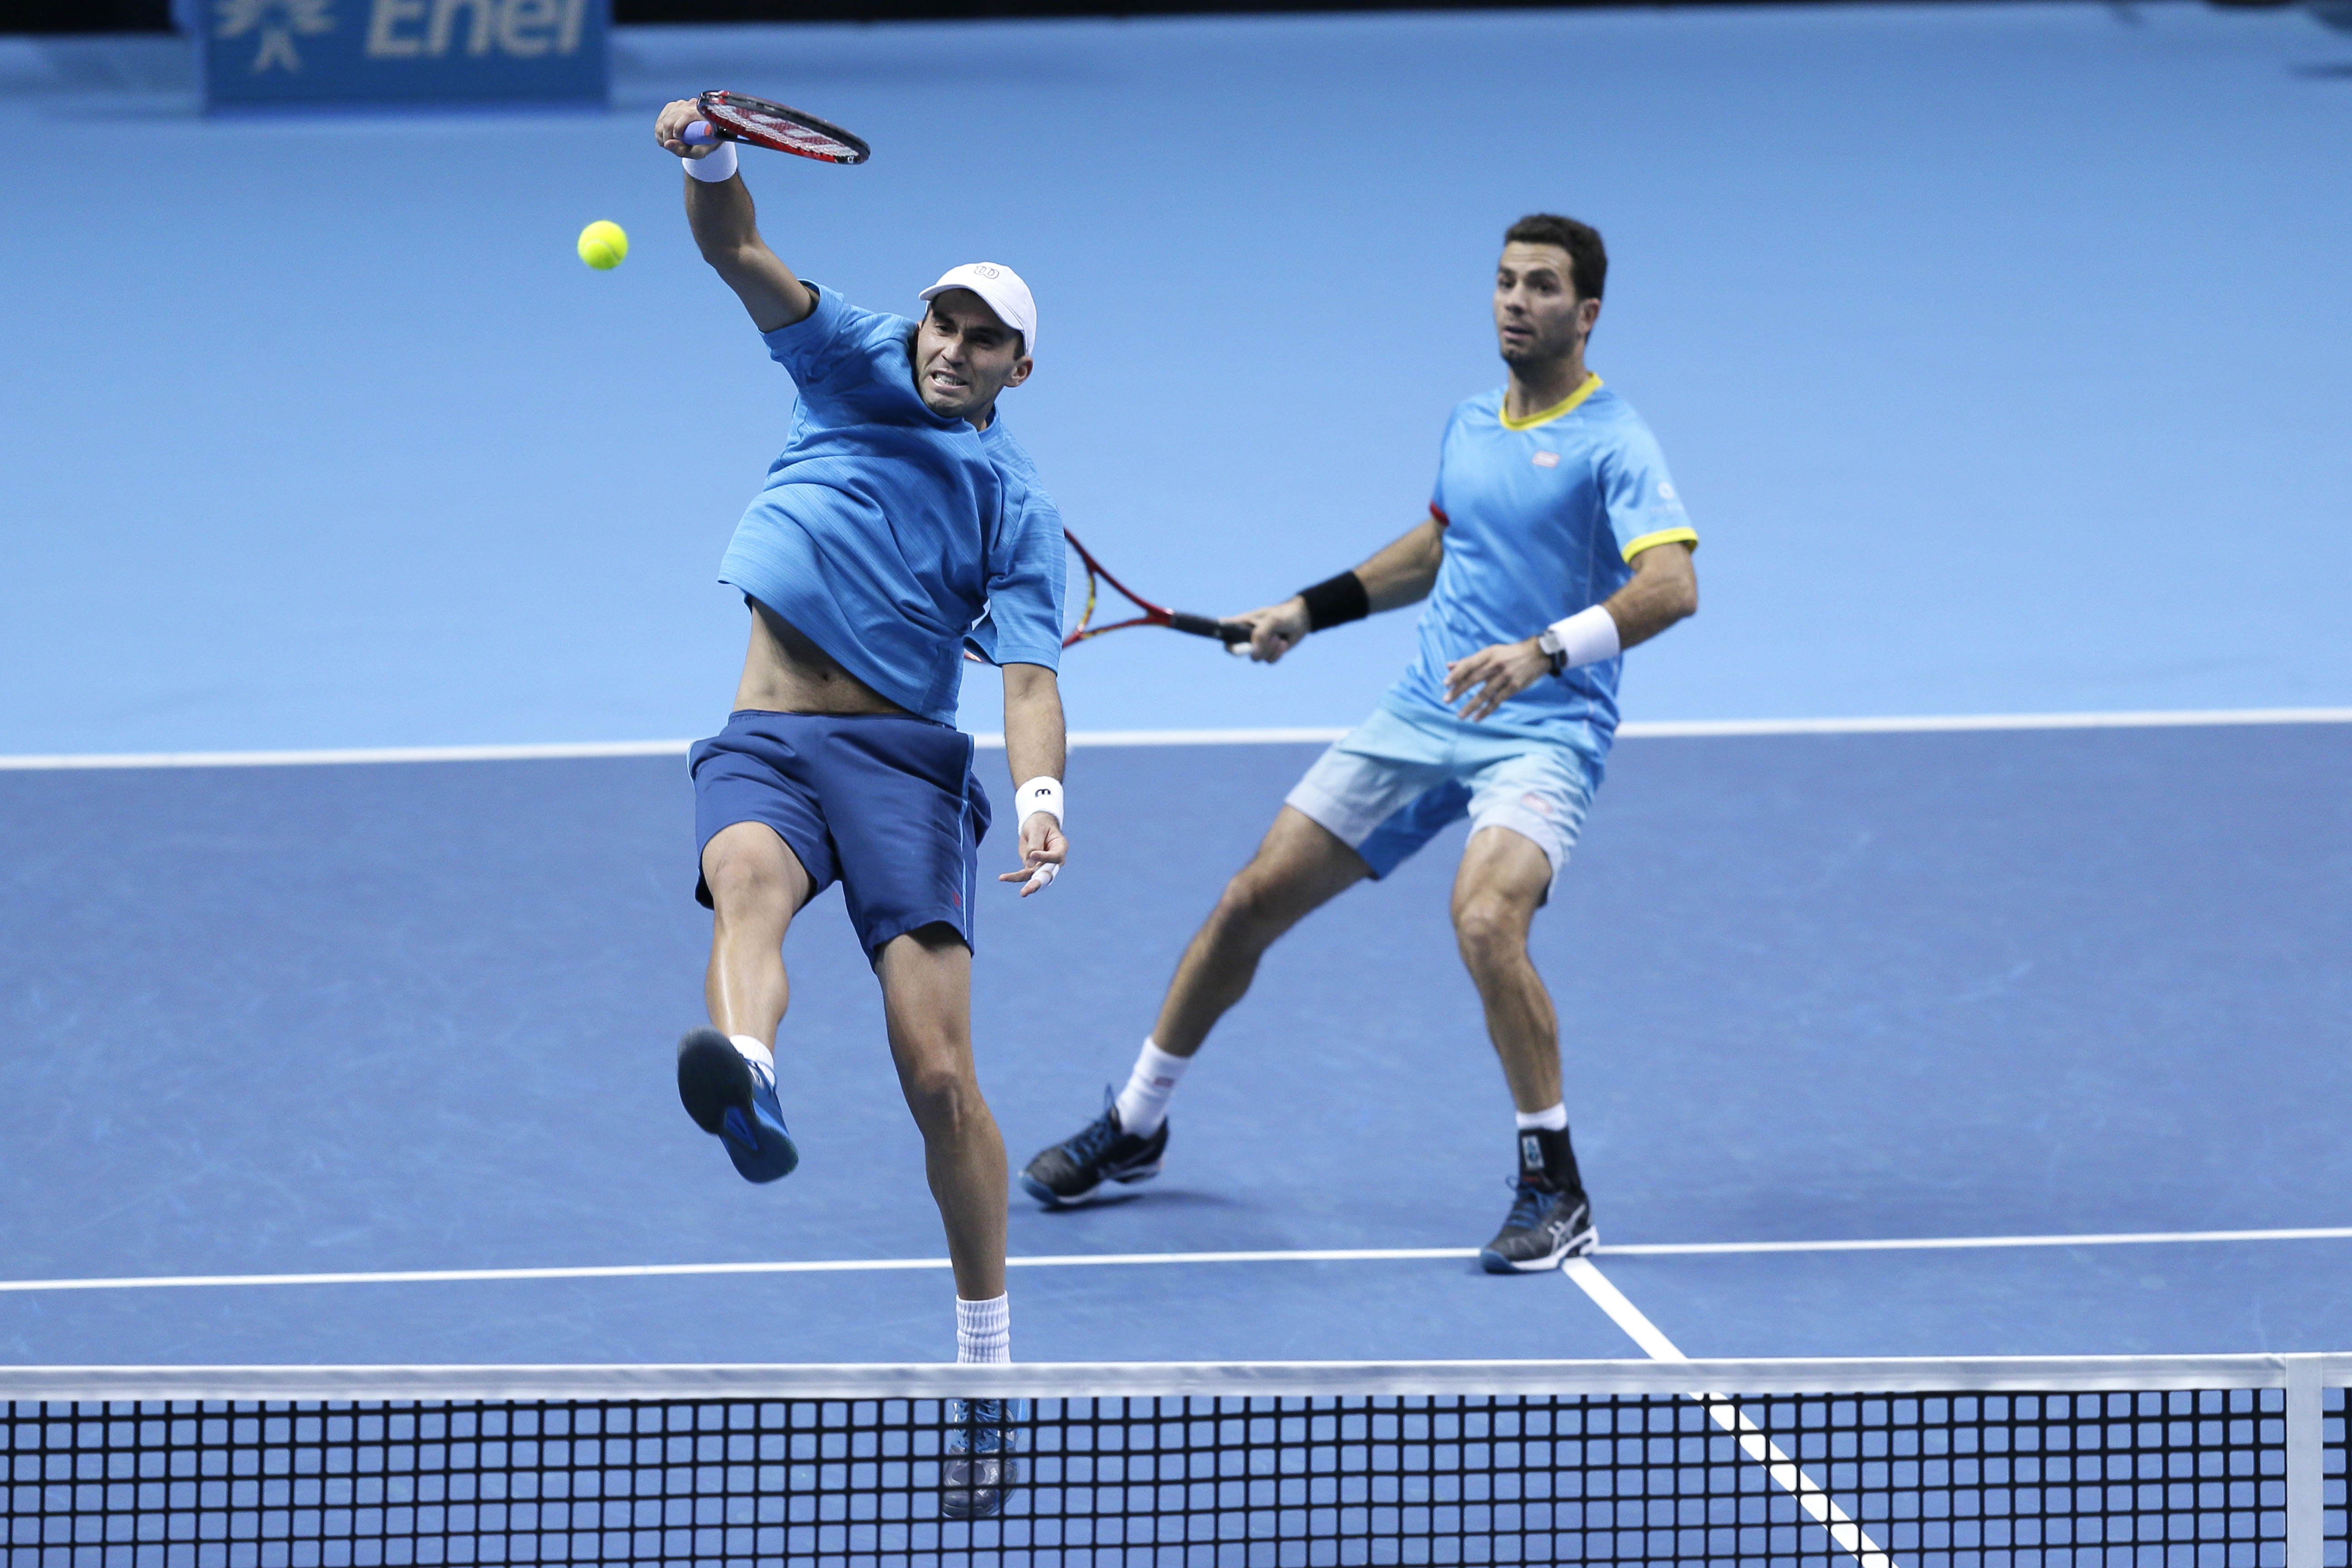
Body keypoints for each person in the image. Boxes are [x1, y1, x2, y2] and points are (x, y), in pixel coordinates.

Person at [1019, 214, 1700, 1274]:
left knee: (1485, 919)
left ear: (1589, 312)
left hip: (1544, 729)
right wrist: (1307, 609)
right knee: (1249, 900)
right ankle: (1140, 1121)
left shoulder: (1616, 441)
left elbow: (1672, 586)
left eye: (1544, 287)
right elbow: (1439, 547)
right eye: (1506, 281)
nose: (1518, 301)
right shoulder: (1472, 422)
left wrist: (1546, 653)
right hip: (1425, 712)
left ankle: (1555, 1187)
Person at [652, 102, 1066, 1510]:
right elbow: (739, 247)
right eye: (942, 322)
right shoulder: (848, 357)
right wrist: (709, 156)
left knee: (939, 1078)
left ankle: (986, 1377)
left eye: (981, 336)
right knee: (749, 879)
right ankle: (750, 1074)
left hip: (905, 764)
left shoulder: (1016, 506)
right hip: (767, 732)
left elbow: (1025, 680)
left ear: (1021, 365)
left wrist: (1046, 794)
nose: (949, 346)